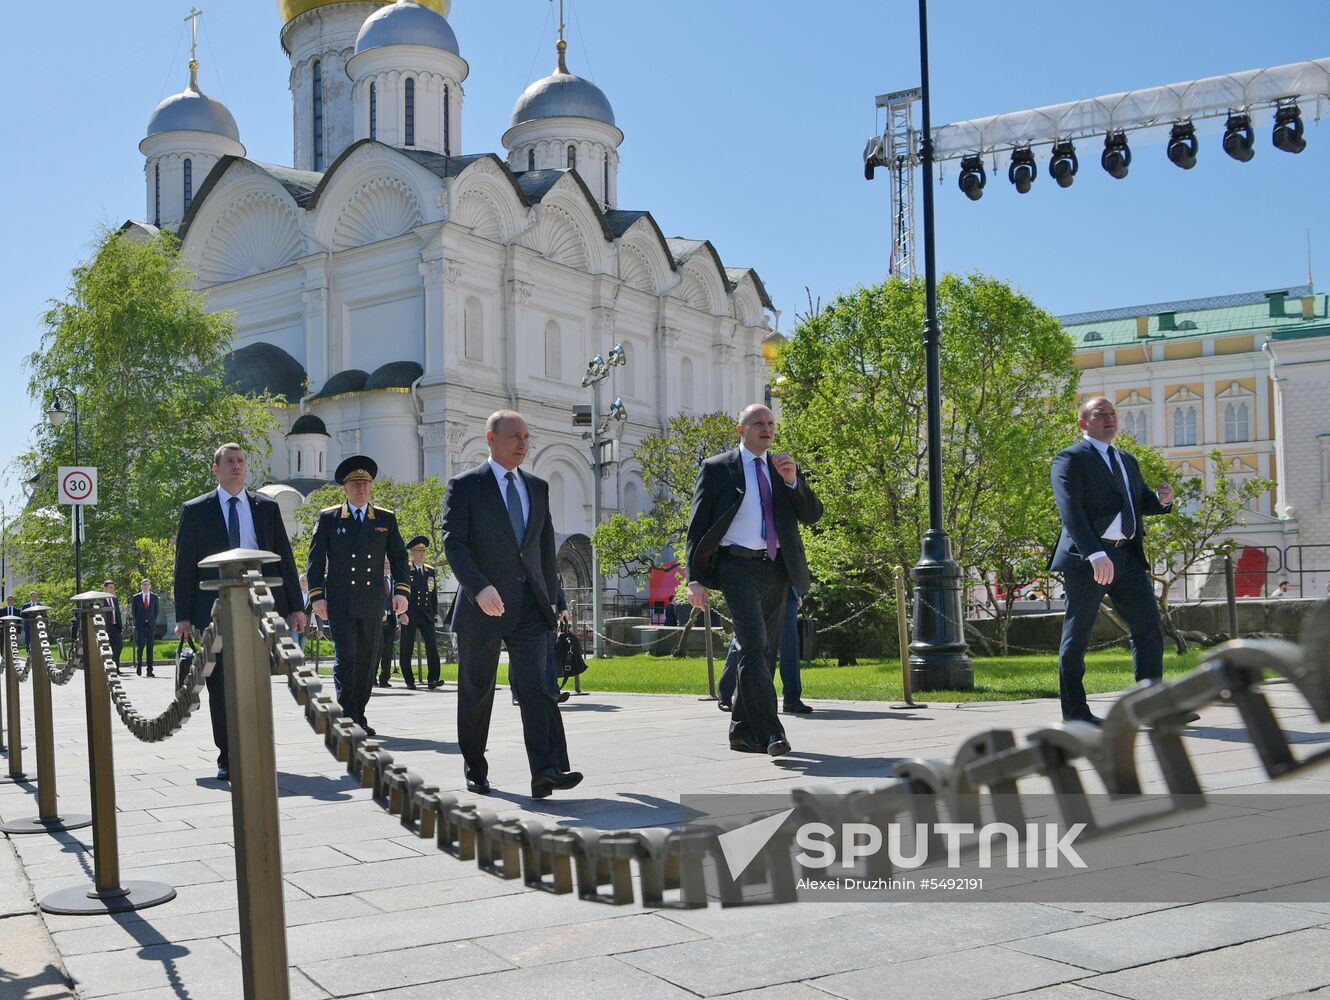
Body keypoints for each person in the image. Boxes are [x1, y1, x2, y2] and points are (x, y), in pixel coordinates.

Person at [442, 410, 580, 798]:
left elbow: (544, 548)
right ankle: (475, 765)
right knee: (476, 690)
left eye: (526, 436)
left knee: (539, 688)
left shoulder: (537, 487)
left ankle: (547, 770)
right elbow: (454, 542)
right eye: (514, 436)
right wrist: (478, 587)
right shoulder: (466, 486)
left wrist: (556, 598)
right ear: (491, 438)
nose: (522, 443)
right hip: (482, 606)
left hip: (530, 608)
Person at [686, 403, 823, 757]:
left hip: (777, 568)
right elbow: (698, 527)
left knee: (767, 652)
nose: (767, 428)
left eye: (771, 423)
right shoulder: (718, 468)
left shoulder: (782, 468)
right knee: (752, 644)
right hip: (736, 566)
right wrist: (695, 579)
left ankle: (742, 731)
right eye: (758, 423)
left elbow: (812, 515)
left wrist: (794, 482)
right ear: (741, 429)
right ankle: (773, 731)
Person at [1049, 397, 1184, 726]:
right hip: (1089, 559)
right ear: (1084, 423)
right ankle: (1075, 714)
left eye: (1112, 414)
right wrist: (1095, 553)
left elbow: (1140, 503)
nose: (1110, 419)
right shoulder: (1070, 459)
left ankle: (1150, 706)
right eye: (1101, 414)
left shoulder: (1126, 459)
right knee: (1077, 634)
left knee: (1148, 627)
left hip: (1128, 555)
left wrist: (1162, 502)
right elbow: (1071, 511)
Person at [175, 443, 306, 781]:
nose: (237, 466)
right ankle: (228, 755)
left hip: (259, 609)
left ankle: (257, 747)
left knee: (257, 681)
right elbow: (185, 566)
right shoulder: (196, 510)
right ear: (215, 469)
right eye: (229, 461)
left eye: (241, 461)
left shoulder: (266, 508)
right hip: (213, 611)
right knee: (219, 685)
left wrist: (295, 606)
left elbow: (284, 558)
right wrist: (184, 616)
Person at [307, 455, 410, 738]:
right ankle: (348, 716)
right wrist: (317, 597)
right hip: (340, 601)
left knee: (368, 660)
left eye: (365, 483)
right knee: (347, 658)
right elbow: (315, 560)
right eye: (355, 483)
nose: (361, 488)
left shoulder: (385, 518)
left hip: (371, 601)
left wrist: (401, 592)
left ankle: (359, 713)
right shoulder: (329, 518)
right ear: (345, 487)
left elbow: (400, 558)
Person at [717, 586, 811, 714]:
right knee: (743, 640)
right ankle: (725, 694)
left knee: (789, 644)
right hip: (754, 585)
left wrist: (796, 591)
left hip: (786, 590)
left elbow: (794, 565)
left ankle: (792, 699)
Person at [399, 535, 443, 690]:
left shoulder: (430, 571)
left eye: (423, 551)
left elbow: (433, 594)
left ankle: (433, 679)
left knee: (432, 647)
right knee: (406, 648)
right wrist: (400, 613)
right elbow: (400, 593)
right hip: (409, 613)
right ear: (412, 553)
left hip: (426, 614)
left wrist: (435, 614)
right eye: (418, 551)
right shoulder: (405, 569)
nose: (422, 554)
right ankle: (409, 680)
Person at [376, 557, 408, 689]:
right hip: (377, 619)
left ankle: (385, 678)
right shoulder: (375, 580)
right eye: (385, 563)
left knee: (388, 650)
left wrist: (401, 614)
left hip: (390, 619)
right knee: (376, 650)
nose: (387, 565)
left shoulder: (395, 581)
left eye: (389, 563)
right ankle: (371, 677)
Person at [132, 578, 159, 676]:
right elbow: (134, 612)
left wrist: (151, 620)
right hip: (140, 625)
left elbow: (156, 612)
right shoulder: (136, 597)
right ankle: (139, 665)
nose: (146, 586)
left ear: (150, 586)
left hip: (151, 626)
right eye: (144, 585)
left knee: (150, 648)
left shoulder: (155, 597)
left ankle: (149, 670)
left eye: (147, 584)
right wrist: (140, 620)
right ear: (141, 586)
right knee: (140, 647)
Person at [102, 581, 125, 676]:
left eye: (113, 588)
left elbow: (117, 613)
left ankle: (115, 667)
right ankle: (109, 668)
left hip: (115, 627)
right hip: (106, 627)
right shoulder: (101, 599)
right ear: (105, 588)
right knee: (108, 648)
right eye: (110, 587)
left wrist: (120, 626)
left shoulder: (114, 599)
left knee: (119, 645)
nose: (112, 589)